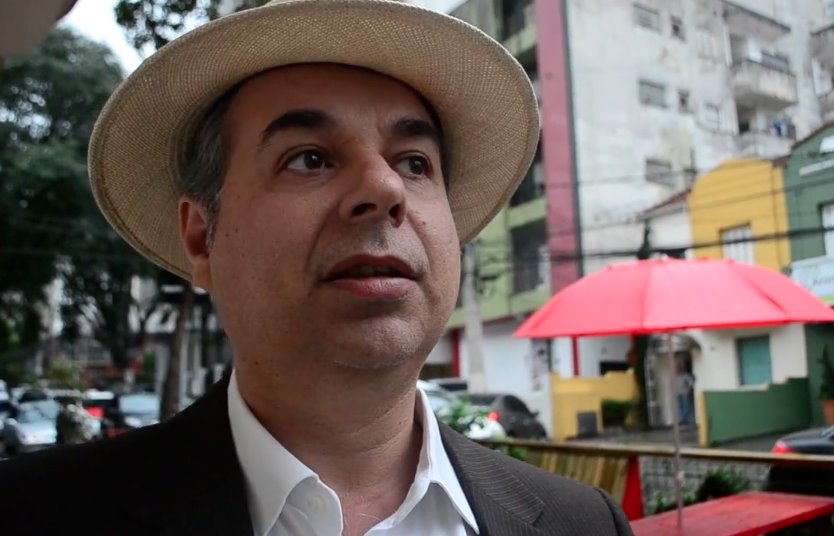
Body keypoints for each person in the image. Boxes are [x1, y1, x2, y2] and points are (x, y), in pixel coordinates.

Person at [0, 1, 633, 535]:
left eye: (415, 163)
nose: (384, 188)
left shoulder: (583, 524)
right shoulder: (35, 512)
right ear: (201, 238)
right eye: (308, 158)